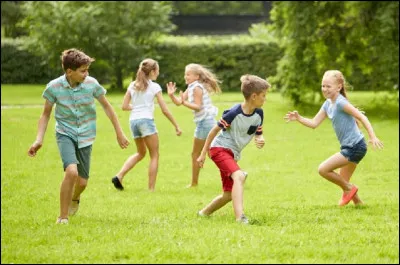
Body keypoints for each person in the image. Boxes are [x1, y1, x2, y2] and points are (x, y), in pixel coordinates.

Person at [27, 48, 130, 224]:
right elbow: (45, 114)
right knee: (71, 172)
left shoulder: (91, 84)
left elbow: (107, 106)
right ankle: (62, 216)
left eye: (87, 70)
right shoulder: (54, 87)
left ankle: (74, 198)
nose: (86, 74)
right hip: (65, 133)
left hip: (86, 135)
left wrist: (119, 132)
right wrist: (39, 139)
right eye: (82, 71)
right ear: (69, 71)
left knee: (82, 183)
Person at [284, 70, 384, 206]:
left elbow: (362, 117)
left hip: (355, 146)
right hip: (352, 146)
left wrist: (372, 136)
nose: (325, 89)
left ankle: (350, 188)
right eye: (323, 86)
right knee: (343, 182)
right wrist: (299, 118)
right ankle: (359, 204)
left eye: (328, 86)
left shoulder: (340, 103)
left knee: (323, 169)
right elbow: (314, 123)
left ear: (339, 86)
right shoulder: (327, 104)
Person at [196, 74, 270, 224]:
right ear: (254, 96)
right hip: (219, 149)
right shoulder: (233, 113)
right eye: (263, 95)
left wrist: (260, 139)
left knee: (229, 194)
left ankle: (203, 213)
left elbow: (258, 133)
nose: (265, 99)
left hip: (233, 154)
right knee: (239, 176)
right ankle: (240, 218)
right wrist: (203, 153)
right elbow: (213, 132)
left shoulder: (259, 113)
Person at [111, 58, 182, 192]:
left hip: (134, 122)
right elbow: (165, 109)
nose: (158, 73)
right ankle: (151, 189)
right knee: (154, 155)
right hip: (146, 121)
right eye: (158, 71)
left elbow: (124, 106)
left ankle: (119, 176)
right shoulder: (154, 87)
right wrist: (176, 125)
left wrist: (137, 107)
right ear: (153, 71)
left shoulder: (132, 85)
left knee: (140, 153)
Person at [166, 63, 221, 188]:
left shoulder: (196, 88)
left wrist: (184, 102)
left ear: (196, 76)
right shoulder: (191, 86)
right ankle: (235, 174)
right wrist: (171, 95)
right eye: (185, 74)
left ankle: (194, 183)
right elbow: (179, 102)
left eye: (188, 74)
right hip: (206, 122)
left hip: (205, 123)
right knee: (212, 153)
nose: (185, 76)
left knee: (197, 154)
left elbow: (197, 107)